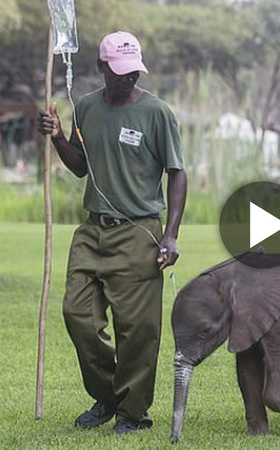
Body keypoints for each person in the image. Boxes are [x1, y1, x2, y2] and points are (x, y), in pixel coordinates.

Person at [37, 31, 187, 434]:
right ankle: (107, 395)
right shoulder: (85, 108)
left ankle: (132, 414)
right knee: (77, 315)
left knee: (137, 331)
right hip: (92, 231)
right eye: (119, 71)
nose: (128, 78)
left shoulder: (157, 113)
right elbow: (80, 165)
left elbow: (177, 173)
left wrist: (170, 235)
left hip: (140, 232)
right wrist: (56, 138)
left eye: (134, 70)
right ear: (102, 68)